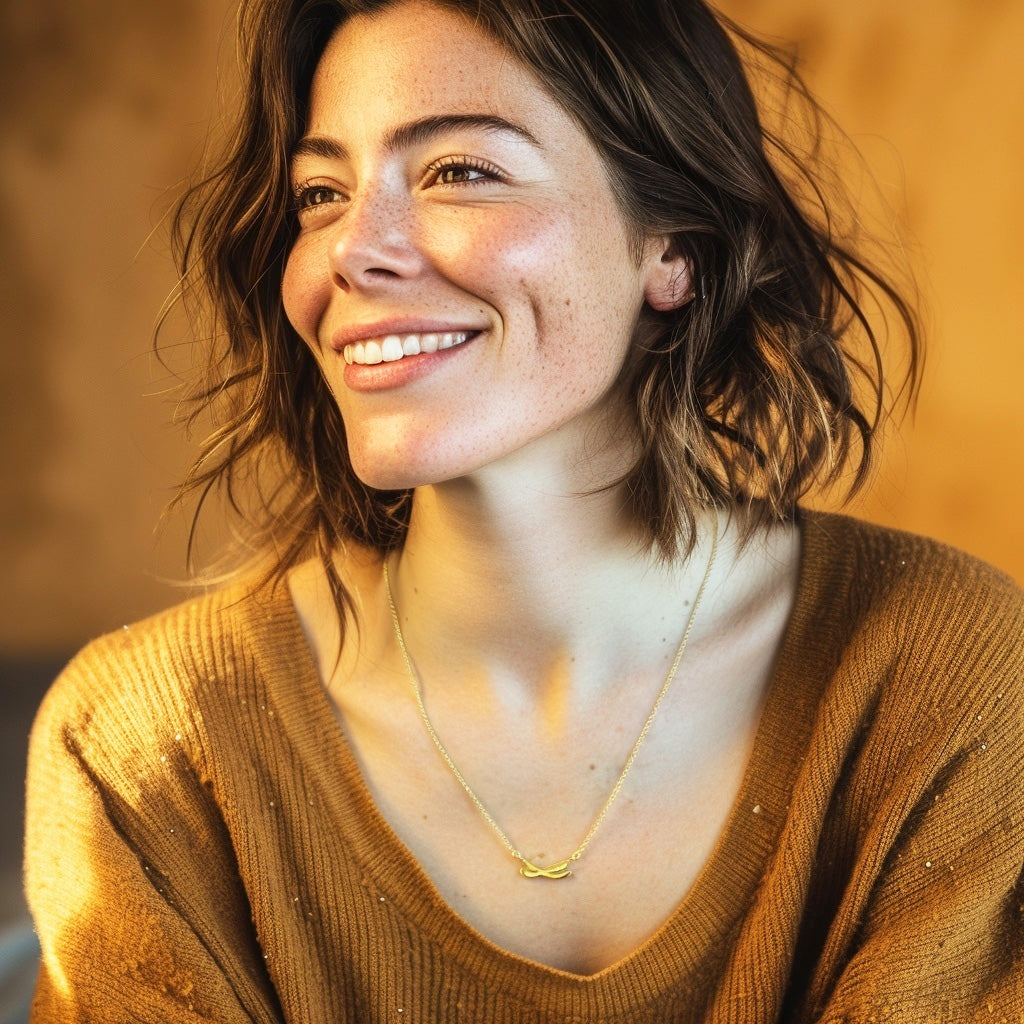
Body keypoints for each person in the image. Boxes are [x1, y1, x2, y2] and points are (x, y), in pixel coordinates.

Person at [24, 0, 1024, 1020]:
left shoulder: (947, 677)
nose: (350, 252)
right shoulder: (150, 750)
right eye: (320, 193)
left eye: (461, 171)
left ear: (671, 249)